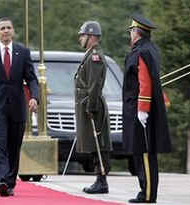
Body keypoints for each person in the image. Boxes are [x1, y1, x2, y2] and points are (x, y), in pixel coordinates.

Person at [0, 17, 39, 197]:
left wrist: (34, 97)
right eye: (2, 28)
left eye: (9, 28)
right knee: (0, 144)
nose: (6, 31)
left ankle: (10, 182)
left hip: (17, 106)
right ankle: (2, 180)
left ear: (13, 31)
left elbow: (31, 78)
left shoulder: (23, 52)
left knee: (14, 145)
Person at [123, 14, 171, 204]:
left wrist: (142, 108)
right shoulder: (147, 49)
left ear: (136, 33)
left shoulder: (142, 52)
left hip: (140, 109)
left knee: (143, 153)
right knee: (141, 152)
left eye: (131, 31)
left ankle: (148, 193)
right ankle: (145, 191)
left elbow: (145, 81)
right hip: (139, 107)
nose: (130, 35)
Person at [74, 21, 112, 194]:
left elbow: (95, 84)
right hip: (89, 103)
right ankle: (99, 178)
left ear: (91, 37)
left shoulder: (94, 56)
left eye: (83, 35)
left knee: (99, 142)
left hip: (93, 104)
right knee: (93, 142)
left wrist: (91, 105)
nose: (80, 38)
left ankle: (102, 180)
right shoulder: (89, 55)